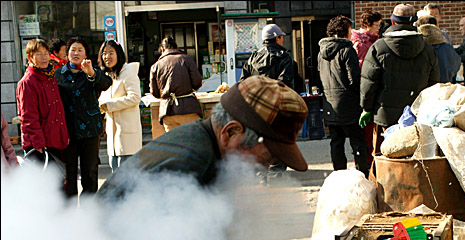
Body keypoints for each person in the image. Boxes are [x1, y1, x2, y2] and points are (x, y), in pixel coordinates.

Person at [97, 75, 308, 200]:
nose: (262, 169)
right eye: (265, 158)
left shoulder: (207, 147)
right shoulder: (191, 163)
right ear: (231, 132)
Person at [359, 3, 440, 160]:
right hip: (418, 116)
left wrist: (366, 108)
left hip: (385, 117)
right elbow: (434, 85)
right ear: (412, 23)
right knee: (416, 158)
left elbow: (369, 83)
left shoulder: (379, 48)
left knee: (384, 157)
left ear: (393, 22)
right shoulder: (428, 49)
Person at [55, 36, 112, 199]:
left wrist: (92, 73)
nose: (76, 53)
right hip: (67, 133)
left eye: (80, 50)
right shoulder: (58, 74)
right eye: (73, 49)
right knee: (69, 174)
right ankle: (70, 212)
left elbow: (106, 84)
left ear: (85, 54)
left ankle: (89, 211)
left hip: (90, 131)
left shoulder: (91, 70)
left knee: (90, 172)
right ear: (67, 53)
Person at [240, 23, 294, 178]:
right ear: (276, 38)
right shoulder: (284, 58)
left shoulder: (252, 58)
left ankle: (259, 173)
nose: (282, 39)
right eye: (281, 37)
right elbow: (285, 84)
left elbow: (243, 83)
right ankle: (275, 175)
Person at [318, 15, 369, 178]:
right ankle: (363, 175)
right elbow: (354, 80)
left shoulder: (321, 53)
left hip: (329, 104)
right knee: (358, 143)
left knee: (336, 142)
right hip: (348, 104)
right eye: (350, 29)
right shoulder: (348, 50)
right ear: (344, 31)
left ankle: (338, 177)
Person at [16, 38, 69, 167]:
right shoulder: (27, 82)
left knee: (60, 182)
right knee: (45, 184)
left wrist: (64, 134)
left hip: (56, 139)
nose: (44, 57)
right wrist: (38, 143)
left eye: (45, 53)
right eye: (39, 54)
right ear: (30, 57)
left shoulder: (50, 77)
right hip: (40, 145)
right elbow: (28, 117)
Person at [97, 40, 142, 173]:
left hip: (127, 136)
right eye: (104, 54)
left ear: (119, 54)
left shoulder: (128, 72)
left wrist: (109, 105)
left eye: (111, 53)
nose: (107, 57)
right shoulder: (106, 76)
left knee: (128, 178)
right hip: (112, 138)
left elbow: (135, 97)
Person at [149, 36, 202, 133]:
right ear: (176, 48)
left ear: (163, 50)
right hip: (189, 109)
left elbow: (154, 92)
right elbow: (197, 83)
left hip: (168, 112)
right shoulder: (187, 60)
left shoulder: (155, 66)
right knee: (192, 144)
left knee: (175, 145)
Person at [351, 9, 382, 166]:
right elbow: (366, 74)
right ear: (368, 25)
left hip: (362, 96)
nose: (379, 28)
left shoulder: (366, 41)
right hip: (366, 96)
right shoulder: (364, 44)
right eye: (377, 25)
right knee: (367, 137)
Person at [416, 18, 461, 83]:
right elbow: (456, 64)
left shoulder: (420, 49)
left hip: (426, 88)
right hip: (445, 86)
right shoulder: (447, 48)